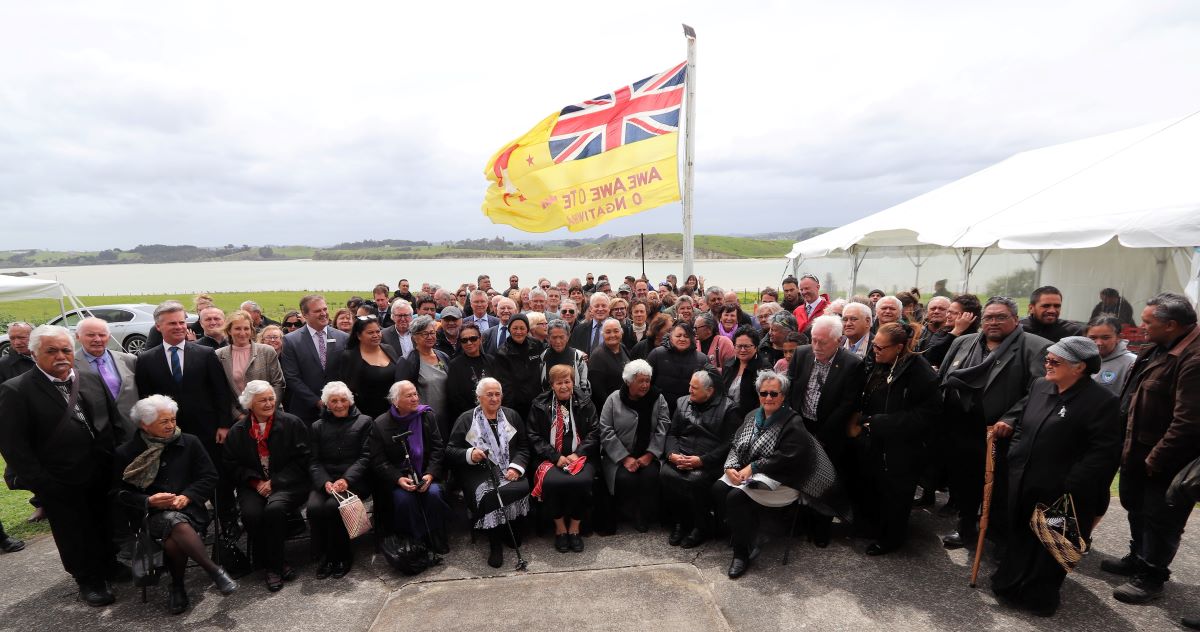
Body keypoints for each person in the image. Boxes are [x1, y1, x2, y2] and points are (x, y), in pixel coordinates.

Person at [991, 337, 1122, 616]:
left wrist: (1070, 484)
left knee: (1052, 546)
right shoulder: (1040, 386)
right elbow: (1023, 425)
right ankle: (1011, 584)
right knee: (1021, 536)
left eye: (1055, 361)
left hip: (1062, 492)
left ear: (1079, 367)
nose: (1046, 365)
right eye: (1047, 359)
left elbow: (1104, 453)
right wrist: (1015, 458)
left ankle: (1039, 596)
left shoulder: (1103, 402)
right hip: (1025, 480)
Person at [0, 325, 125, 606]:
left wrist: (121, 461)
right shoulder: (17, 390)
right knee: (73, 532)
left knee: (104, 522)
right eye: (51, 351)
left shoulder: (90, 377)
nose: (61, 356)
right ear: (34, 354)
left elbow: (114, 423)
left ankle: (109, 564)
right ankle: (88, 580)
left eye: (66, 350)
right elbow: (13, 445)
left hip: (101, 471)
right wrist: (42, 483)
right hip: (59, 479)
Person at [1105, 293, 1200, 604]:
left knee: (1161, 519)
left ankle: (1151, 576)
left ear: (1171, 325)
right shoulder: (1160, 346)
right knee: (1136, 507)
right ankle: (1137, 556)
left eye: (1148, 322)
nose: (1141, 327)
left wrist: (1157, 458)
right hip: (1137, 449)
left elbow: (1188, 422)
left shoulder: (1193, 359)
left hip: (1166, 458)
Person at [938, 297, 1050, 549]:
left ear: (1015, 319)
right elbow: (943, 378)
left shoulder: (1035, 347)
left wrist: (1011, 418)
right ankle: (965, 528)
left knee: (999, 490)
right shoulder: (962, 342)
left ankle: (996, 534)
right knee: (964, 483)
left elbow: (1039, 391)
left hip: (1001, 432)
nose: (994, 322)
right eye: (989, 317)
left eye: (1001, 317)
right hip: (961, 428)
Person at [714, 370, 846, 578]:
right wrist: (730, 467)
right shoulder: (752, 416)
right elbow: (735, 444)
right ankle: (744, 532)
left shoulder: (793, 422)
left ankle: (741, 554)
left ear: (783, 396)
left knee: (735, 497)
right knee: (718, 488)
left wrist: (754, 467)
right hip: (753, 475)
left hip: (784, 481)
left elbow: (789, 457)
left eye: (774, 394)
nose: (768, 398)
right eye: (764, 393)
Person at [113, 395, 237, 614]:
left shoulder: (189, 442)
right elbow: (117, 493)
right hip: (150, 517)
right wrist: (148, 501)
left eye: (172, 419)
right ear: (145, 424)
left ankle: (178, 586)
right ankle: (213, 571)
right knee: (172, 523)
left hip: (191, 510)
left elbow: (209, 476)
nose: (171, 425)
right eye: (164, 421)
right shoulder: (126, 453)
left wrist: (188, 496)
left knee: (173, 538)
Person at [135, 301, 236, 534]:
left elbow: (220, 392)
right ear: (158, 326)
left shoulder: (204, 353)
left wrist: (223, 425)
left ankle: (229, 523)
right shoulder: (147, 359)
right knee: (180, 479)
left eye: (182, 322)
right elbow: (146, 399)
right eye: (173, 323)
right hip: (170, 434)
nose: (180, 327)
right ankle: (193, 524)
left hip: (208, 431)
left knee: (217, 478)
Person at [852, 323, 941, 556]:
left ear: (899, 348)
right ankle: (872, 527)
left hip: (903, 448)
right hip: (876, 441)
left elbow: (927, 415)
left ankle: (891, 539)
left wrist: (882, 422)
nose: (875, 351)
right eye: (873, 345)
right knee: (874, 488)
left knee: (896, 494)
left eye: (881, 348)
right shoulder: (880, 362)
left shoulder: (920, 372)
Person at [784, 314, 865, 546]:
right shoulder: (802, 353)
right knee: (801, 475)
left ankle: (822, 528)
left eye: (823, 342)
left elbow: (847, 405)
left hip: (830, 431)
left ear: (838, 341)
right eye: (813, 340)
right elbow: (791, 387)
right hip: (801, 425)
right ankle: (802, 523)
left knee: (825, 479)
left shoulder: (852, 364)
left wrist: (822, 436)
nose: (816, 346)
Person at [223, 381, 311, 592]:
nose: (269, 403)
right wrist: (256, 482)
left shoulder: (291, 423)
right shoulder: (238, 431)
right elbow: (231, 465)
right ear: (249, 404)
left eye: (271, 398)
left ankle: (272, 567)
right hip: (253, 485)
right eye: (263, 400)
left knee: (275, 509)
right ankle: (278, 564)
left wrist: (275, 482)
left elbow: (304, 460)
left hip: (288, 484)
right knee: (251, 514)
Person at [447, 378, 531, 568]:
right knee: (491, 493)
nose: (494, 398)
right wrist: (470, 454)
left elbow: (524, 447)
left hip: (509, 467)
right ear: (479, 398)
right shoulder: (466, 419)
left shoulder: (512, 416)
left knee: (521, 485)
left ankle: (512, 529)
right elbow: (451, 450)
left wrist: (515, 467)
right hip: (479, 471)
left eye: (497, 394)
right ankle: (495, 543)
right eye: (489, 394)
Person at [369, 380, 450, 555]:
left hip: (426, 474)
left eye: (415, 394)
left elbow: (438, 449)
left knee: (434, 494)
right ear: (396, 401)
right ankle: (416, 540)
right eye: (409, 395)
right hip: (400, 478)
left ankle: (437, 536)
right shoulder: (381, 424)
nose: (415, 398)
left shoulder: (427, 416)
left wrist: (429, 475)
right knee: (405, 500)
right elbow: (378, 460)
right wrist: (398, 479)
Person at [663, 370, 739, 548]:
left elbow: (729, 443)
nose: (689, 390)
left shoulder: (729, 409)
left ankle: (700, 527)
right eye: (690, 385)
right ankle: (680, 523)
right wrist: (671, 455)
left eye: (694, 388)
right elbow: (672, 433)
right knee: (665, 473)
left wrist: (702, 460)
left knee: (696, 480)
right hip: (681, 455)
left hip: (709, 460)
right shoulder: (682, 402)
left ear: (710, 391)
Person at [527, 365, 599, 553]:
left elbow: (594, 432)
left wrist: (578, 453)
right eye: (559, 383)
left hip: (581, 457)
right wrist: (555, 456)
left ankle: (575, 528)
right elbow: (533, 436)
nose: (564, 386)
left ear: (573, 382)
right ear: (552, 385)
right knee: (551, 483)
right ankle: (560, 529)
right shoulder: (539, 404)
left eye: (567, 381)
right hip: (549, 459)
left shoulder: (585, 402)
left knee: (582, 482)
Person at [307, 382, 373, 578]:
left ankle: (342, 556)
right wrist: (324, 482)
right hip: (326, 481)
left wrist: (346, 479)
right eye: (333, 401)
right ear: (326, 404)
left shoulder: (365, 421)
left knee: (332, 508)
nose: (339, 404)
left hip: (354, 480)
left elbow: (365, 457)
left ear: (350, 401)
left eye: (343, 400)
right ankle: (325, 555)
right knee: (314, 508)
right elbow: (314, 461)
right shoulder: (317, 426)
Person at [599, 359, 669, 532]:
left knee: (650, 476)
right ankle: (627, 512)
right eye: (641, 381)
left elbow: (664, 425)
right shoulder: (613, 399)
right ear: (629, 381)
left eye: (647, 380)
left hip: (648, 453)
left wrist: (650, 454)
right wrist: (624, 458)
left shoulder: (657, 398)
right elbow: (606, 430)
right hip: (619, 456)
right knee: (625, 479)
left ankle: (642, 514)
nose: (645, 385)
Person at [280, 294, 350, 424]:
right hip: (305, 411)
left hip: (338, 409)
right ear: (305, 315)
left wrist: (337, 401)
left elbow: (348, 372)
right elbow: (291, 377)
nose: (323, 313)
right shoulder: (291, 341)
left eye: (325, 309)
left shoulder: (343, 338)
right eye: (318, 311)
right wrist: (317, 402)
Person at [215, 310, 285, 421]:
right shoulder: (219, 355)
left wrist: (268, 410)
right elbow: (221, 392)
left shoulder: (267, 351)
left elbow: (278, 383)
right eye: (237, 328)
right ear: (229, 330)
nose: (242, 333)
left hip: (271, 415)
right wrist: (238, 415)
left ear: (251, 330)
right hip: (240, 420)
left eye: (246, 328)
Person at [74, 317, 139, 437]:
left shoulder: (129, 360)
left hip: (131, 428)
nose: (97, 339)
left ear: (109, 337)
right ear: (78, 336)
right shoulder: (70, 365)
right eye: (91, 335)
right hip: (97, 433)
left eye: (102, 335)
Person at [396, 315, 452, 439]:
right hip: (423, 420)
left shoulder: (443, 356)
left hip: (446, 418)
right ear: (414, 337)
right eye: (424, 334)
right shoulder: (407, 361)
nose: (430, 337)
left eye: (432, 333)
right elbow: (401, 395)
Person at [337, 314, 399, 418]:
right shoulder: (350, 356)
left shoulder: (388, 349)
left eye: (378, 331)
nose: (376, 335)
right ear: (359, 335)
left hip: (393, 412)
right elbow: (347, 389)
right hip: (365, 415)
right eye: (370, 333)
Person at [646, 323, 714, 417]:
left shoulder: (702, 359)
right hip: (660, 409)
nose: (682, 339)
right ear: (670, 337)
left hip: (690, 412)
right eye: (678, 336)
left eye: (686, 336)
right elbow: (647, 382)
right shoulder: (657, 354)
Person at [492, 313, 544, 422]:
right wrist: (509, 410)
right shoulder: (502, 353)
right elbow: (505, 385)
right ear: (509, 329)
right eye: (515, 328)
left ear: (527, 329)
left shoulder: (536, 345)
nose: (519, 332)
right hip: (516, 406)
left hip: (537, 402)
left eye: (522, 328)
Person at [445, 322, 495, 423]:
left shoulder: (491, 361)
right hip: (467, 418)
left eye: (473, 338)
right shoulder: (455, 365)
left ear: (480, 339)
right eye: (464, 340)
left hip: (492, 414)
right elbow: (454, 396)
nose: (469, 343)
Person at [723, 326, 769, 416]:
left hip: (750, 418)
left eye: (747, 346)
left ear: (756, 347)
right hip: (727, 416)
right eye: (739, 346)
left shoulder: (764, 368)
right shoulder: (729, 364)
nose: (742, 350)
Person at [1087, 315, 1137, 395]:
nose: (1099, 343)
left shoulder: (1132, 363)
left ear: (1119, 337)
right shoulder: (1081, 358)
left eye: (1105, 338)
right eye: (1093, 338)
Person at [541, 319, 590, 395]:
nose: (558, 341)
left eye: (561, 337)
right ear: (548, 337)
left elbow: (584, 385)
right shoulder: (543, 356)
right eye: (554, 337)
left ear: (568, 336)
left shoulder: (578, 356)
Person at [1020, 286, 1085, 343]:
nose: (1052, 311)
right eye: (1046, 306)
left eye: (1057, 306)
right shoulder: (1018, 330)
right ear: (1031, 308)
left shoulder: (1073, 332)